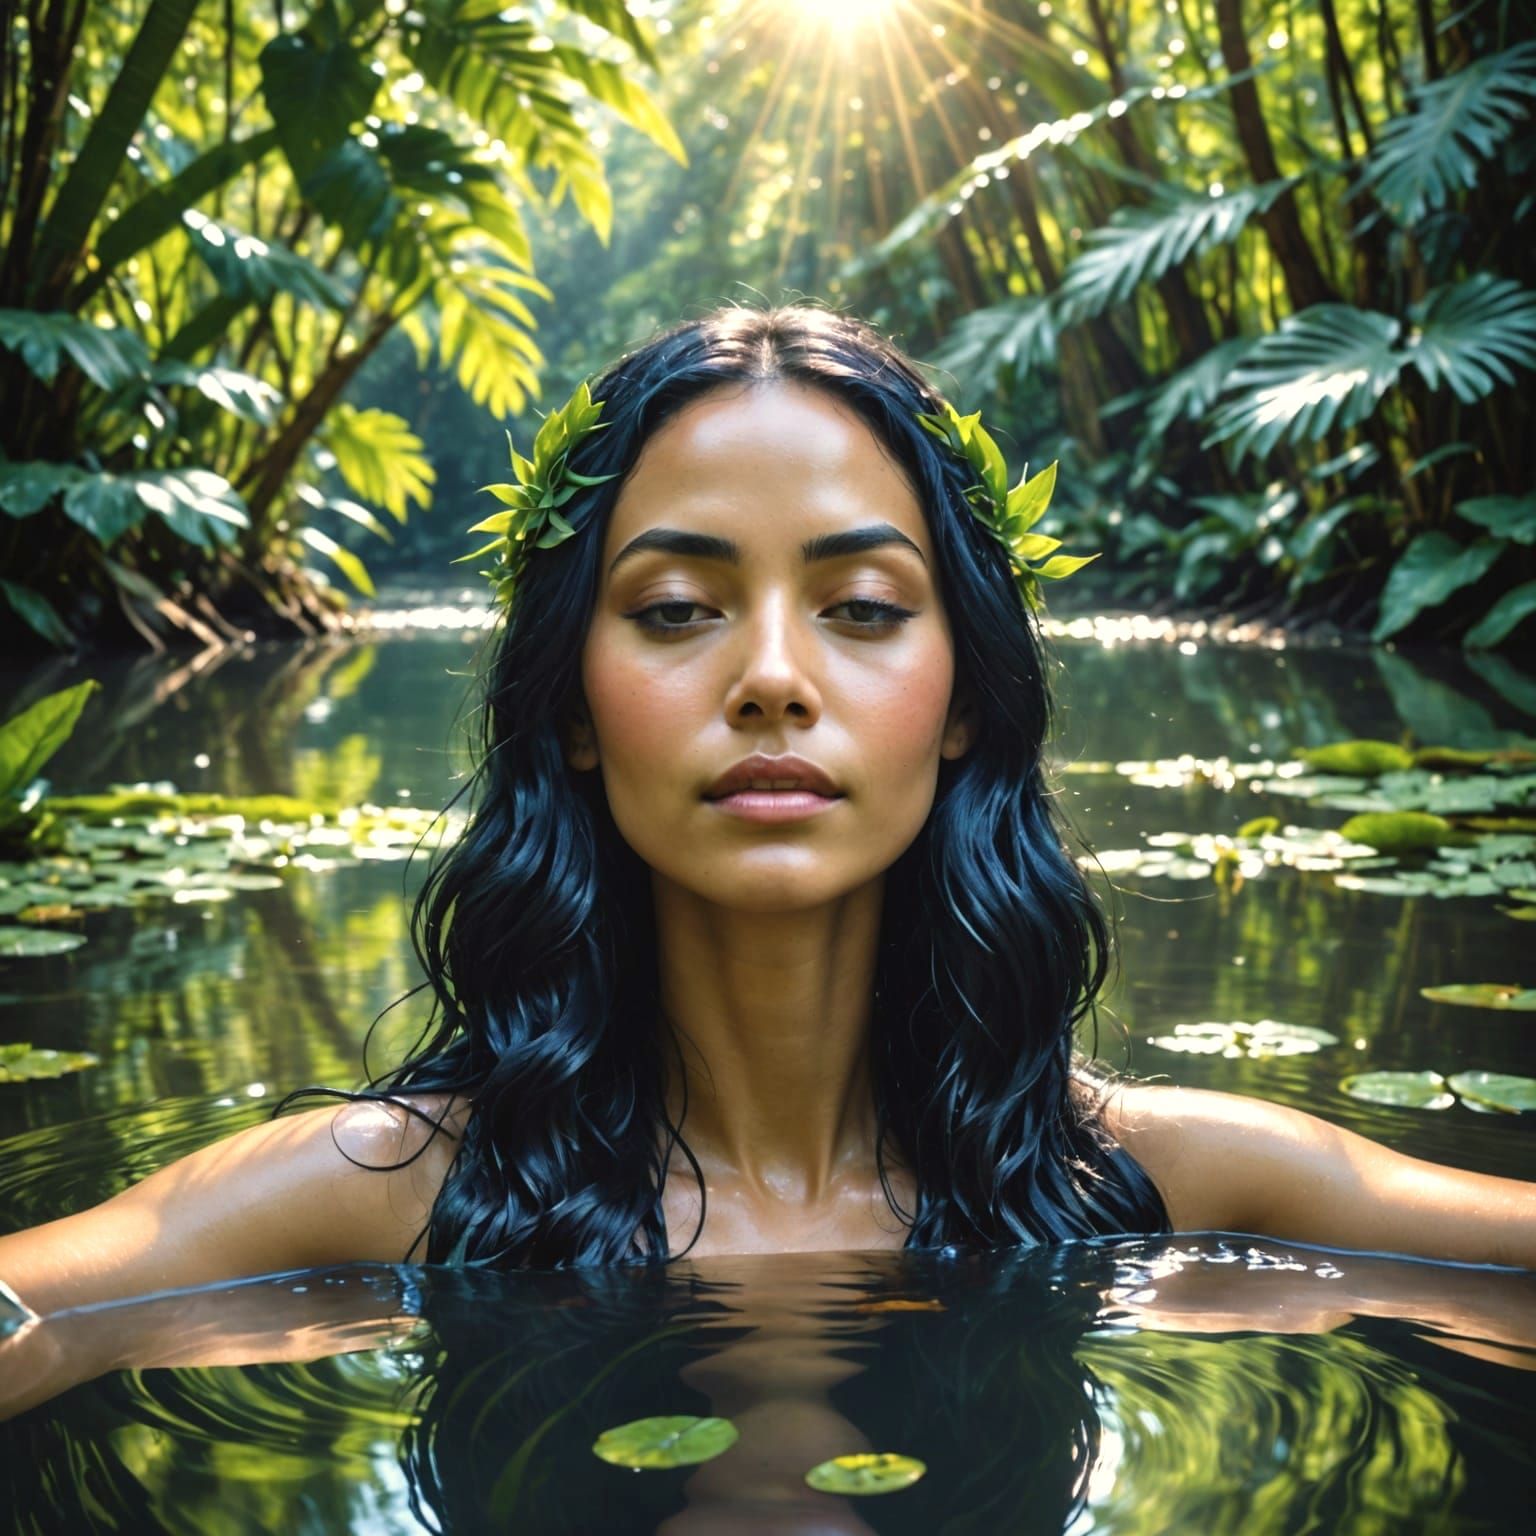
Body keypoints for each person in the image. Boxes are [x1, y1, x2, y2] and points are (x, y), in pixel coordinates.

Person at [1, 303, 1532, 1326]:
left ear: (968, 700)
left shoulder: (1164, 1185)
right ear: (574, 713)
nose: (776, 679)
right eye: (676, 610)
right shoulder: (388, 1195)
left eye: (864, 607)